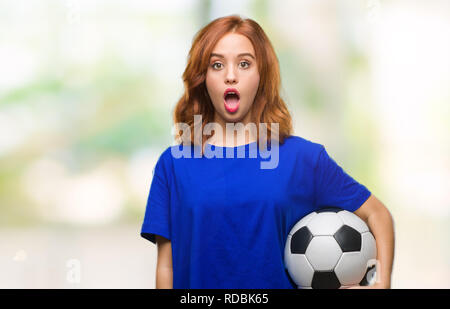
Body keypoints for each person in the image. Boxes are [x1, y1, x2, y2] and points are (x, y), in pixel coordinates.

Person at [140, 15, 395, 289]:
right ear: (203, 78)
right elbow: (166, 266)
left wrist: (380, 284)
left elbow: (378, 215)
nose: (230, 75)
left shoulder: (303, 158)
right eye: (217, 65)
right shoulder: (174, 164)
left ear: (262, 76)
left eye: (244, 63)